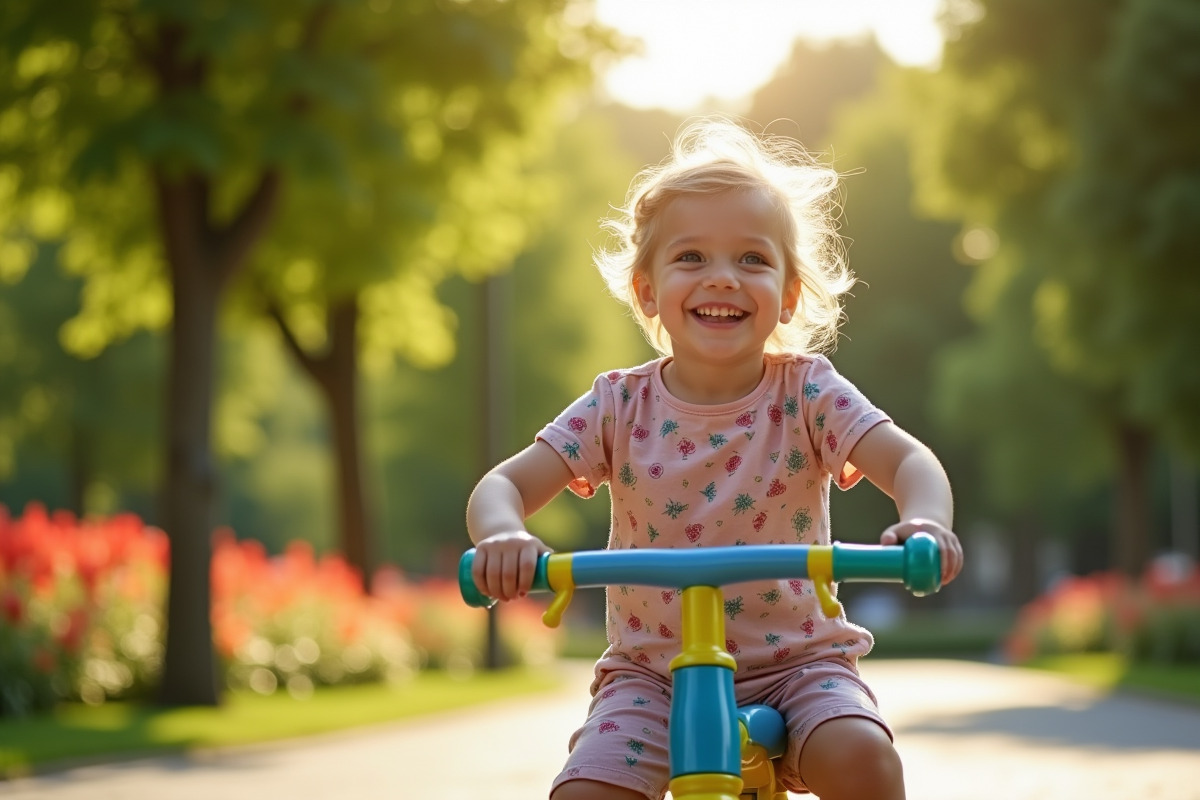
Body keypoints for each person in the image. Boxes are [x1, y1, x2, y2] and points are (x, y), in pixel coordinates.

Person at [466, 117, 963, 800]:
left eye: (752, 259)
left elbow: (910, 463)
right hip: (650, 677)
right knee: (584, 793)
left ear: (788, 294)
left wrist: (926, 522)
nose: (723, 278)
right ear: (648, 291)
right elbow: (503, 485)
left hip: (799, 665)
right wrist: (503, 534)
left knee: (863, 759)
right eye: (691, 258)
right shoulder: (617, 406)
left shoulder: (809, 392)